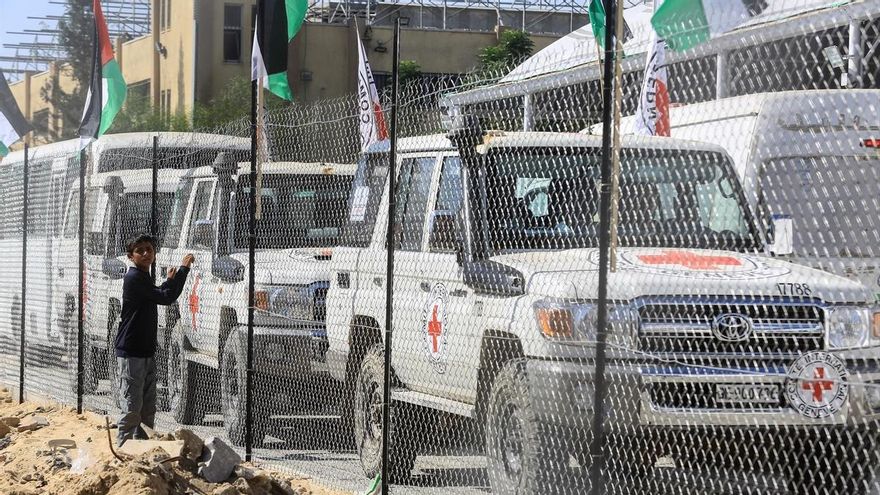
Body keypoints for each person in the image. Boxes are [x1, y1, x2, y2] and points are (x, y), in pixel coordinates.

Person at [115, 234, 194, 446]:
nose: (146, 253)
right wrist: (183, 271)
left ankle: (143, 450)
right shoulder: (134, 278)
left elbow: (159, 293)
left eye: (149, 249)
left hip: (146, 351)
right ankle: (122, 451)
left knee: (147, 409)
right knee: (132, 409)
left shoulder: (143, 277)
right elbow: (165, 297)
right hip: (132, 352)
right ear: (130, 256)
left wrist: (169, 280)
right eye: (140, 250)